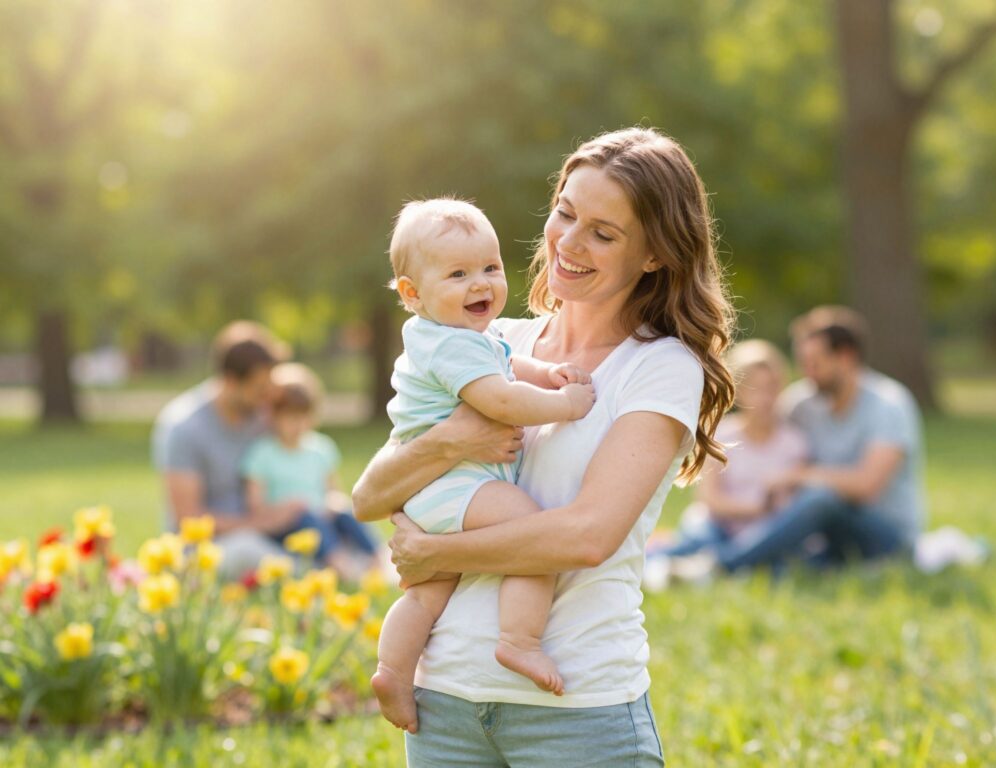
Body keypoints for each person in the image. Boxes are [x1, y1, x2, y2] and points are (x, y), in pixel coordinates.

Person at [353, 127, 735, 767]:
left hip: (575, 710)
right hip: (444, 702)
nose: (568, 241)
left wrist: (435, 551)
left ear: (653, 256)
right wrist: (453, 440)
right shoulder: (487, 339)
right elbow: (370, 495)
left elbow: (585, 536)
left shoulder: (661, 368)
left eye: (603, 233)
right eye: (565, 212)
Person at [372, 198, 598, 733]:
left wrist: (546, 372)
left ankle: (392, 670)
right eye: (458, 274)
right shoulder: (450, 346)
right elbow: (500, 400)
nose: (481, 284)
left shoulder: (459, 336)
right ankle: (518, 641)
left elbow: (507, 361)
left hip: (431, 488)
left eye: (490, 268)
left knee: (429, 591)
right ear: (412, 293)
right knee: (533, 536)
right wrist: (564, 405)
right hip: (456, 482)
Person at [152, 321, 377, 579]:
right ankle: (323, 574)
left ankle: (360, 566)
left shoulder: (260, 415)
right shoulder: (184, 427)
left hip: (271, 530)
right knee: (249, 551)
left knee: (337, 524)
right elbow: (187, 519)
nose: (267, 399)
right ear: (230, 381)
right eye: (259, 389)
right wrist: (259, 522)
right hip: (212, 545)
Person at [711, 306, 925, 572]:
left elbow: (866, 486)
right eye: (803, 363)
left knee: (820, 498)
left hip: (888, 539)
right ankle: (680, 555)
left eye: (815, 363)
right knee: (778, 565)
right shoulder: (802, 404)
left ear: (846, 357)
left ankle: (721, 565)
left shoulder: (889, 404)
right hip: (827, 537)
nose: (806, 372)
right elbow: (759, 434)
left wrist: (800, 476)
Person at [644, 340, 806, 586]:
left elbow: (792, 509)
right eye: (756, 389)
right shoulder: (723, 437)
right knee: (700, 534)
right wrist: (756, 509)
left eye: (772, 388)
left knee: (779, 557)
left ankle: (694, 567)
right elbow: (710, 500)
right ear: (740, 392)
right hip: (719, 524)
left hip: (765, 532)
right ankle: (656, 560)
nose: (765, 398)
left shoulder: (795, 443)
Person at [241, 362, 377, 577]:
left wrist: (333, 503)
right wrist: (284, 510)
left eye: (304, 417)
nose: (299, 425)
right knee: (305, 516)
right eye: (291, 417)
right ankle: (340, 566)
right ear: (274, 417)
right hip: (287, 527)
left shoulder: (320, 448)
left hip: (321, 518)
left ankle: (377, 559)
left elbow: (332, 490)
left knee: (344, 511)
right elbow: (256, 507)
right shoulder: (262, 453)